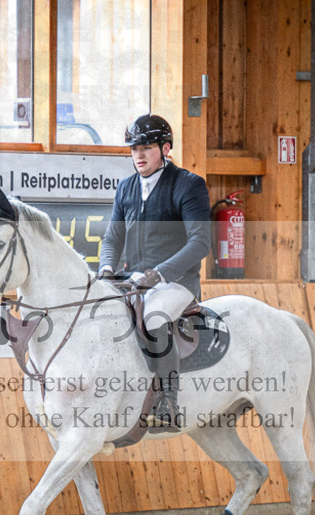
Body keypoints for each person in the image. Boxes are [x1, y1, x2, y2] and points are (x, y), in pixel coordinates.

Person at [97, 114, 212, 428]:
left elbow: (201, 242)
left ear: (166, 148)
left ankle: (168, 403)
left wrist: (161, 273)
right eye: (134, 149)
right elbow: (112, 237)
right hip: (134, 279)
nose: (138, 155)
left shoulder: (189, 185)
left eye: (146, 148)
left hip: (177, 281)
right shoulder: (126, 188)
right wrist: (106, 266)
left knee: (154, 320)